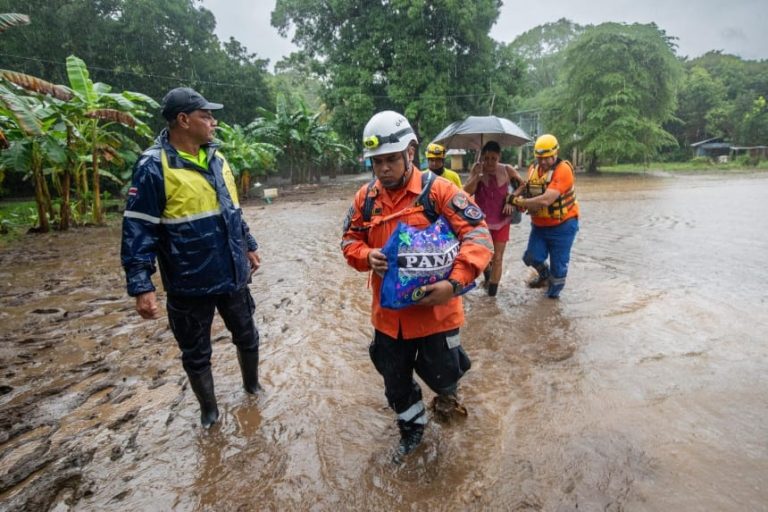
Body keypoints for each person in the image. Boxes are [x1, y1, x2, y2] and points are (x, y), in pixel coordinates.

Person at [341, 111, 494, 459]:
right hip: (388, 320)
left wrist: (454, 284)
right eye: (376, 162)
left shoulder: (439, 192)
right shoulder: (365, 199)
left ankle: (448, 388)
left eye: (391, 159)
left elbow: (479, 235)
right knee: (395, 385)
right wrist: (367, 255)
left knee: (444, 379)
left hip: (436, 316)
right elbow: (348, 241)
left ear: (411, 151)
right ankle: (412, 431)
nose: (383, 169)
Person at [121, 87, 262, 428]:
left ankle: (252, 389)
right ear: (183, 120)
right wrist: (142, 285)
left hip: (231, 272)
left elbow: (232, 212)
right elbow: (139, 229)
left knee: (247, 334)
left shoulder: (218, 159)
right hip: (188, 282)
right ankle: (209, 414)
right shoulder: (153, 167)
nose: (214, 122)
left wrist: (249, 244)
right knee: (196, 352)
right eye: (206, 116)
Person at [509, 134, 579, 299]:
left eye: (547, 158)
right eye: (540, 158)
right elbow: (528, 188)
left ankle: (551, 301)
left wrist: (520, 201)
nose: (543, 162)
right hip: (539, 226)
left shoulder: (563, 170)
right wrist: (514, 196)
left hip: (563, 225)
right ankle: (544, 276)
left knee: (559, 267)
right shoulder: (534, 168)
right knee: (531, 257)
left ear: (556, 154)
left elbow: (546, 200)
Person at [463, 140, 525, 297]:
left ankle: (492, 296)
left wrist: (511, 198)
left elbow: (522, 185)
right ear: (482, 157)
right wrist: (476, 177)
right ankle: (488, 277)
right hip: (481, 222)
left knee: (498, 258)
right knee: (482, 256)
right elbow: (466, 192)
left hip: (502, 221)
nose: (490, 162)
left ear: (499, 157)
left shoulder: (507, 170)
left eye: (493, 158)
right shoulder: (477, 169)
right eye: (487, 158)